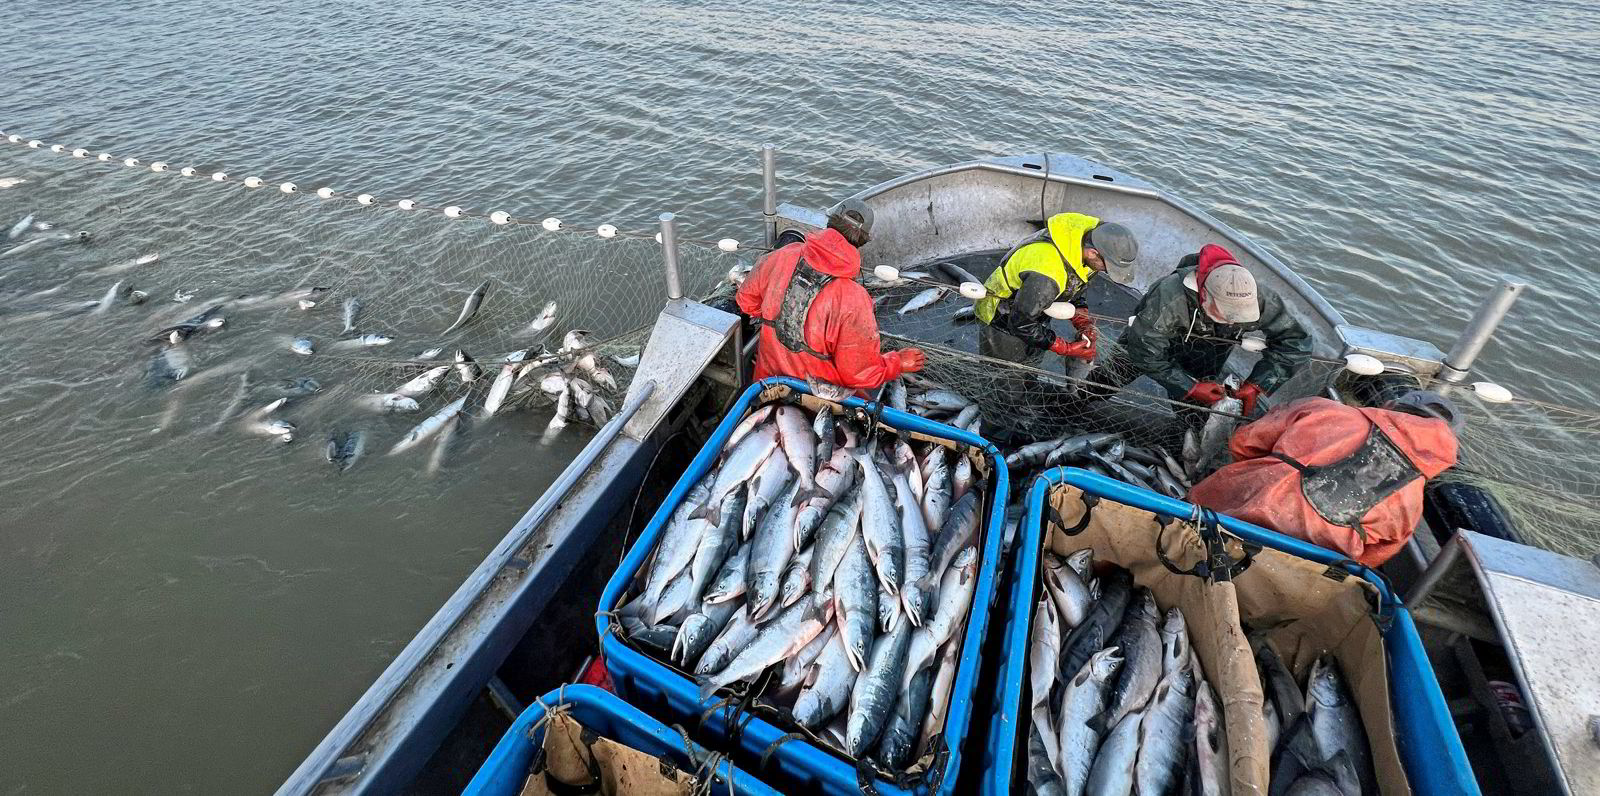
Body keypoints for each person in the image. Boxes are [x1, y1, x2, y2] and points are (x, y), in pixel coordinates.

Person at [1187, 390, 1461, 567]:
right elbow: (1371, 558)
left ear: (1390, 406)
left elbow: (1242, 443)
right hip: (1299, 565)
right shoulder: (1413, 502)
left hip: (1229, 511)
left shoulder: (1326, 410)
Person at [1089, 243, 1310, 415]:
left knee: (1195, 412)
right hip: (1150, 342)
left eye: (1239, 316)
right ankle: (1079, 399)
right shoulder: (1169, 296)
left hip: (1207, 355)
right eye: (1226, 314)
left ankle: (1185, 446)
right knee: (1111, 376)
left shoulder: (1261, 299)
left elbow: (1295, 342)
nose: (1232, 322)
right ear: (1204, 296)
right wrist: (1189, 387)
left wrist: (1258, 384)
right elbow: (1144, 350)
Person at [736, 198, 925, 394]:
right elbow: (858, 374)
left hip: (767, 382)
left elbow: (745, 300)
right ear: (863, 240)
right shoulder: (854, 298)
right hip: (819, 395)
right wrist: (898, 362)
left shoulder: (782, 255)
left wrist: (777, 316)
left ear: (831, 222)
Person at [974, 213, 1139, 366]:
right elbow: (1020, 322)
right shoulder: (1048, 271)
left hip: (1035, 308)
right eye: (1108, 267)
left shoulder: (1085, 242)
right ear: (1092, 253)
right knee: (1005, 375)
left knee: (1030, 369)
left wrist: (1083, 321)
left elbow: (1074, 283)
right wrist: (1064, 348)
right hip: (1002, 317)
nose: (1107, 271)